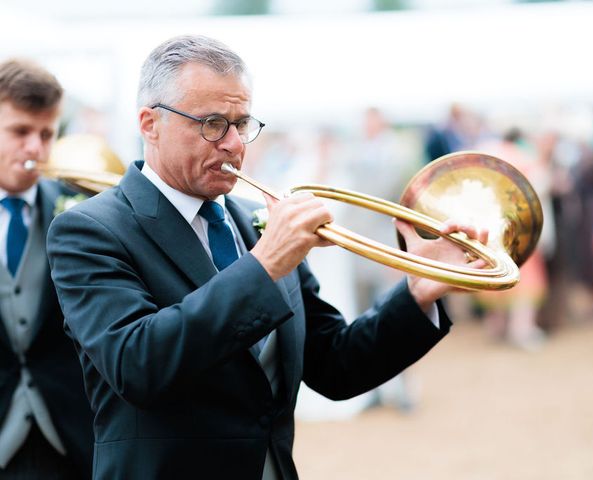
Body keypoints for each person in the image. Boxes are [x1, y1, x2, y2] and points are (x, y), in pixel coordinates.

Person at [46, 35, 486, 480]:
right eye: (213, 123)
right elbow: (137, 365)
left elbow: (335, 366)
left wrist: (416, 294)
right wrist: (266, 262)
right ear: (149, 123)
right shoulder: (89, 229)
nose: (235, 144)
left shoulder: (256, 219)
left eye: (243, 123)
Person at [0, 59, 93, 478]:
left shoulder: (81, 207)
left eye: (46, 134)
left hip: (69, 440)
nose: (35, 148)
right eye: (20, 132)